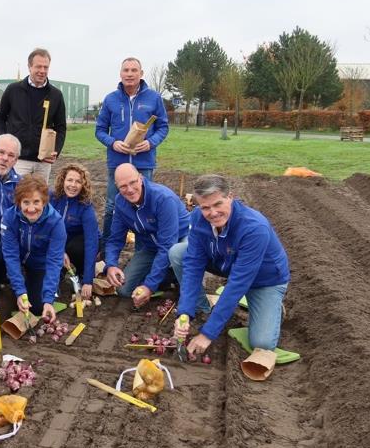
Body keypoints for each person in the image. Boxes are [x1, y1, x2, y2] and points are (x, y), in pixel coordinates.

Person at [170, 174, 290, 357]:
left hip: (264, 279)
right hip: (227, 262)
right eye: (205, 207)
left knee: (262, 343)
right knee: (179, 253)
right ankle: (201, 308)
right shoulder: (197, 218)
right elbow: (193, 264)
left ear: (230, 197)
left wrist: (207, 334)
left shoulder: (254, 228)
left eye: (218, 204)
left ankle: (272, 306)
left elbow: (237, 284)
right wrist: (184, 312)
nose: (213, 213)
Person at [95, 57, 170, 240]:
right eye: (126, 70)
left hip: (144, 163)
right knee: (112, 206)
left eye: (134, 70)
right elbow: (100, 130)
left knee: (147, 205)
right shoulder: (111, 99)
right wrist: (113, 143)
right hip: (117, 163)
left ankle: (147, 246)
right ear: (120, 74)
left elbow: (163, 127)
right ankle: (107, 247)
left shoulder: (154, 98)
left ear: (141, 74)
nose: (129, 74)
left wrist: (151, 142)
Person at [104, 163, 189, 305]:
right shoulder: (120, 202)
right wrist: (111, 265)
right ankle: (170, 275)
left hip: (180, 240)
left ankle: (183, 280)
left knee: (177, 254)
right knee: (124, 290)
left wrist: (149, 286)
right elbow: (115, 239)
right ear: (116, 186)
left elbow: (167, 245)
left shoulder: (162, 199)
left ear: (141, 178)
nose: (130, 190)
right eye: (123, 186)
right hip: (151, 247)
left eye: (133, 182)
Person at [0, 174, 66, 322]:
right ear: (18, 202)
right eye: (26, 202)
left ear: (44, 201)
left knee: (37, 307)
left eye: (36, 202)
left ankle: (51, 287)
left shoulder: (56, 222)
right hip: (18, 255)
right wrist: (20, 292)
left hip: (39, 262)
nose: (31, 208)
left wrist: (48, 299)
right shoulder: (9, 217)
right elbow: (10, 255)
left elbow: (54, 261)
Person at [0, 48, 66, 181]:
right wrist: (2, 142)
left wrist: (55, 150)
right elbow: (0, 118)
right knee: (16, 196)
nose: (42, 71)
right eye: (38, 66)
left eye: (46, 67)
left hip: (43, 161)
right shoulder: (13, 90)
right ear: (29, 67)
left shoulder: (55, 95)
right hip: (18, 159)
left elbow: (61, 127)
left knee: (39, 198)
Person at [49, 163, 99, 300]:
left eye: (78, 181)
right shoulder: (51, 199)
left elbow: (91, 242)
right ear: (63, 180)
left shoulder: (85, 206)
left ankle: (82, 273)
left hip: (76, 246)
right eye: (70, 180)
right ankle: (56, 275)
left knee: (78, 246)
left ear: (83, 185)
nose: (73, 185)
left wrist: (89, 280)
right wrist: (59, 251)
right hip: (56, 246)